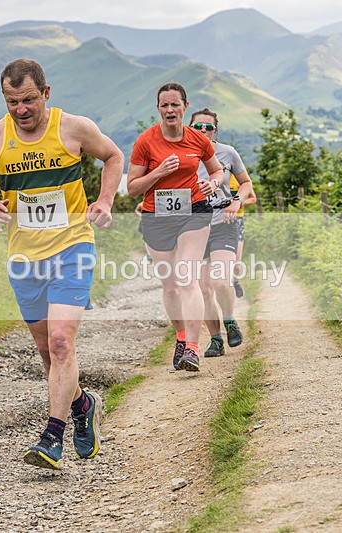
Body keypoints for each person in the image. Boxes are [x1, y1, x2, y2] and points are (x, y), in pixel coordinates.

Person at [0, 58, 124, 470]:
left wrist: (104, 201)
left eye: (29, 99)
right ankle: (83, 404)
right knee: (48, 352)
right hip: (24, 256)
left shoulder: (73, 128)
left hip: (72, 247)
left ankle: (52, 438)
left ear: (46, 93)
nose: (21, 109)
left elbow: (113, 156)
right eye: (12, 101)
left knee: (62, 341)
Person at [126, 83, 224, 372]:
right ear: (158, 108)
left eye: (175, 105)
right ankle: (181, 338)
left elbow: (217, 170)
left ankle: (192, 348)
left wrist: (213, 183)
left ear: (185, 106)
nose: (170, 110)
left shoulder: (197, 140)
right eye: (164, 105)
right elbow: (132, 188)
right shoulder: (145, 142)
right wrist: (158, 172)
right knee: (170, 287)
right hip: (156, 218)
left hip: (194, 211)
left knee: (187, 278)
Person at [190, 108, 254, 357]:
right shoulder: (182, 154)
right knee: (203, 289)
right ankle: (215, 340)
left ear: (215, 131)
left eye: (208, 127)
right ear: (190, 128)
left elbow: (246, 183)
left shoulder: (228, 152)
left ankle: (229, 320)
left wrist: (237, 202)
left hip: (223, 224)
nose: (203, 131)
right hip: (193, 228)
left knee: (220, 281)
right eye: (198, 126)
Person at [229, 172, 257, 298]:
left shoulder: (238, 178)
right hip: (219, 220)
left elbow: (253, 198)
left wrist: (238, 203)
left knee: (237, 263)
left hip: (237, 220)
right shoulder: (215, 177)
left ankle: (235, 282)